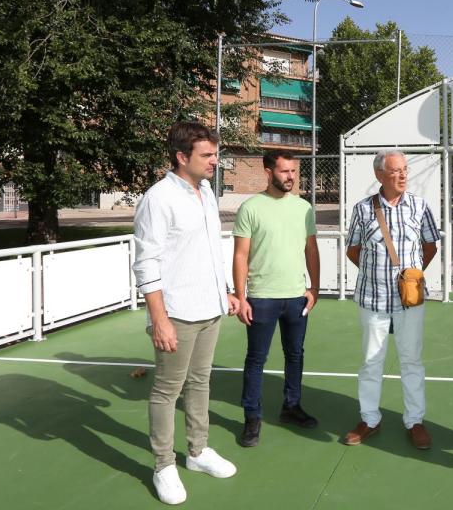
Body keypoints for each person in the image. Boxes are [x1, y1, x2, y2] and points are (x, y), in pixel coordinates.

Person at [133, 121, 240, 505]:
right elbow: (146, 263)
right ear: (182, 157)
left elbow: (210, 249)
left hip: (209, 307)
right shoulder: (159, 198)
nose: (215, 161)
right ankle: (164, 465)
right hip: (175, 312)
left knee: (201, 382)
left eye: (215, 154)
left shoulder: (207, 191)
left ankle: (197, 452)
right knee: (166, 391)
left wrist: (225, 291)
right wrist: (159, 319)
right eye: (207, 155)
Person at [343, 150, 440, 449]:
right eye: (395, 171)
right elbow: (353, 249)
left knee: (411, 360)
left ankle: (415, 421)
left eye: (405, 170)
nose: (402, 175)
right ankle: (369, 419)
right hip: (373, 299)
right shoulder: (362, 210)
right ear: (379, 175)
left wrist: (409, 278)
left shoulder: (420, 207)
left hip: (409, 302)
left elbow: (429, 246)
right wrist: (378, 274)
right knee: (371, 362)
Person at [232, 150, 320, 448]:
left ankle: (291, 406)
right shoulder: (251, 208)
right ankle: (252, 417)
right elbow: (241, 255)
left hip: (296, 297)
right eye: (284, 171)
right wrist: (241, 297)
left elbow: (311, 250)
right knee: (256, 359)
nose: (291, 177)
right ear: (268, 171)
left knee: (295, 355)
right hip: (261, 299)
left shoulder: (304, 207)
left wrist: (315, 288)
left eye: (293, 171)